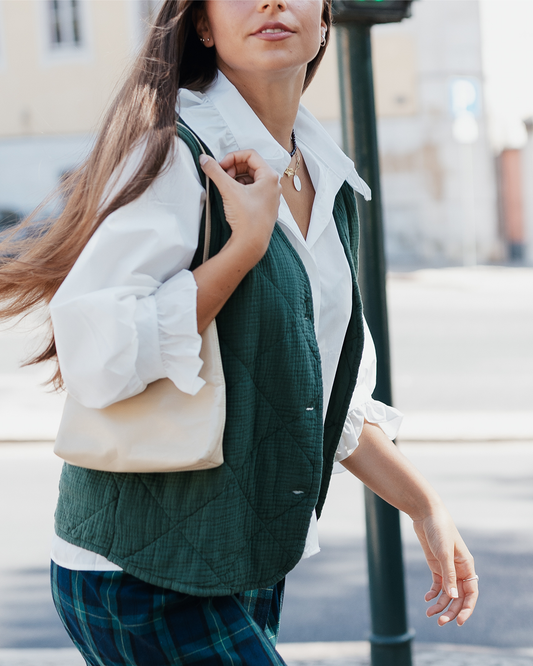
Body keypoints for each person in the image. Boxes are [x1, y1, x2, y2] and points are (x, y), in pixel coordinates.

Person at [0, 1, 479, 664]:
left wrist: (423, 504)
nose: (270, 1)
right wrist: (241, 249)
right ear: (201, 25)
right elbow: (96, 357)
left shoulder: (324, 174)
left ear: (322, 19)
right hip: (137, 571)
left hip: (241, 556)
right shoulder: (175, 153)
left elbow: (322, 395)